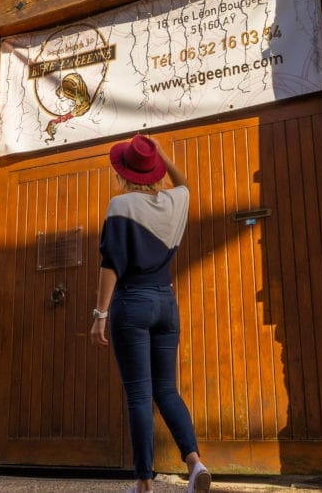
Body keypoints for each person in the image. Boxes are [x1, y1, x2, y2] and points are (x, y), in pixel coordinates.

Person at [90, 134, 211, 493]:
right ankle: (195, 463)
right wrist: (162, 154)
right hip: (165, 303)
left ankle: (144, 481)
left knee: (140, 395)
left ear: (124, 172)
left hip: (132, 302)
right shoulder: (176, 201)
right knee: (166, 390)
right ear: (154, 170)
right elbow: (185, 183)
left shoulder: (121, 205)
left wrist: (100, 314)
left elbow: (111, 263)